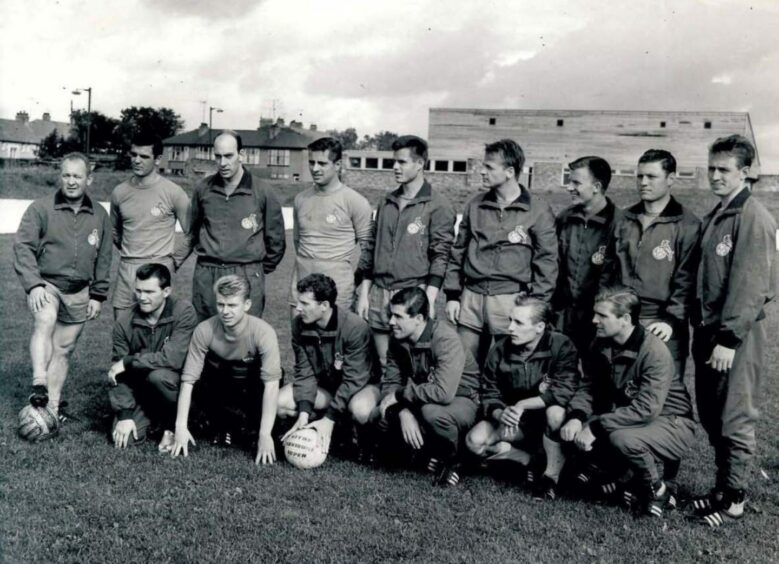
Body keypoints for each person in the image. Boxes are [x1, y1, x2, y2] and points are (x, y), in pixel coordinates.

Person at [690, 135, 777, 527]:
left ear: (745, 172)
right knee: (712, 415)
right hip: (709, 331)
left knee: (735, 416)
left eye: (724, 169)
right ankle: (723, 486)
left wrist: (729, 338)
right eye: (711, 168)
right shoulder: (717, 214)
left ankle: (735, 497)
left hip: (735, 336)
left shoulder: (752, 216)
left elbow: (752, 285)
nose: (715, 175)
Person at [560, 287, 696, 517]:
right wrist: (577, 417)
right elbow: (589, 388)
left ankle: (658, 490)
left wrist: (595, 427)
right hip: (634, 416)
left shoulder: (654, 351)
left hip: (673, 421)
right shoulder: (600, 343)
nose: (594, 320)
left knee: (621, 438)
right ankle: (616, 477)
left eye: (602, 316)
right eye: (595, 314)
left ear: (624, 319)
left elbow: (647, 408)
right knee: (570, 425)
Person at [14, 152, 112, 419]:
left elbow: (104, 256)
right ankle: (39, 382)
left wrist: (98, 294)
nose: (71, 181)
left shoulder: (100, 214)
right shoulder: (40, 208)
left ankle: (52, 408)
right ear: (60, 176)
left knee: (64, 349)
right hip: (48, 284)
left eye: (77, 176)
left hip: (80, 290)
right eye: (66, 175)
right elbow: (23, 247)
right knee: (45, 319)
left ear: (88, 179)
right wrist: (34, 285)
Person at [445, 139, 558, 365]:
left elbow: (547, 262)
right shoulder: (475, 205)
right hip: (471, 300)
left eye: (489, 167)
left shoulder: (538, 210)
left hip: (511, 301)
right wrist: (452, 296)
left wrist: (534, 307)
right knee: (464, 366)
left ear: (509, 172)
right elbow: (458, 251)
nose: (482, 172)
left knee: (508, 368)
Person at [465, 297, 580, 499]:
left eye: (518, 323)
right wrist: (501, 413)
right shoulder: (500, 349)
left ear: (540, 327)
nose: (510, 328)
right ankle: (528, 460)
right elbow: (488, 391)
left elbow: (565, 390)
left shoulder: (562, 345)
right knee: (474, 442)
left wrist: (522, 404)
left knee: (556, 413)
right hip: (516, 423)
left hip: (547, 422)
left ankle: (550, 476)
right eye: (510, 320)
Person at [357, 135, 455, 370]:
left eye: (402, 162)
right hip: (379, 293)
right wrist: (364, 293)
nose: (395, 167)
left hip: (412, 292)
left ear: (420, 164)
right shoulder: (386, 202)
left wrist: (429, 297)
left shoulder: (438, 205)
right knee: (382, 363)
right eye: (394, 161)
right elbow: (371, 247)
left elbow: (441, 255)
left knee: (413, 363)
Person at [599, 149, 700, 379]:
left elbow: (687, 279)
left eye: (651, 176)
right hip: (622, 319)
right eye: (639, 176)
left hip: (661, 323)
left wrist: (671, 321)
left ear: (671, 179)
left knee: (663, 394)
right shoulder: (623, 219)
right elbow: (608, 271)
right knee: (616, 389)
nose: (643, 182)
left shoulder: (688, 225)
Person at [171, 275, 282, 465]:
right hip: (219, 381)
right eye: (221, 304)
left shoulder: (264, 332)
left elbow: (271, 385)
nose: (225, 311)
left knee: (266, 390)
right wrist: (180, 427)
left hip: (251, 382)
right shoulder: (204, 329)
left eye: (232, 305)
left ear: (247, 304)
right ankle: (216, 423)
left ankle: (255, 426)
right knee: (205, 379)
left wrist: (265, 435)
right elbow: (188, 381)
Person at [378, 287, 480, 486]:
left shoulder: (445, 339)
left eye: (398, 316)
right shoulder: (397, 339)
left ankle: (455, 460)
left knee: (431, 413)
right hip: (424, 395)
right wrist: (401, 410)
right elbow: (390, 382)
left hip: (462, 399)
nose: (391, 322)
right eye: (391, 315)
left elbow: (443, 393)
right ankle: (423, 452)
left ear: (418, 318)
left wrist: (400, 396)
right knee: (382, 412)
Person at [186, 130, 286, 320]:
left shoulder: (263, 191)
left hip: (246, 273)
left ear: (242, 155)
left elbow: (276, 240)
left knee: (244, 338)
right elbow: (194, 229)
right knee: (206, 335)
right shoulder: (203, 189)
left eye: (229, 156)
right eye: (218, 156)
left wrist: (254, 269)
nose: (222, 163)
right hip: (208, 273)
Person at [278, 273, 380, 457]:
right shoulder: (298, 325)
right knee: (280, 402)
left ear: (324, 305)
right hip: (328, 389)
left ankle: (363, 440)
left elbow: (354, 380)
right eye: (298, 302)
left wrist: (330, 417)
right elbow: (304, 373)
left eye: (305, 304)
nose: (298, 308)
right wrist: (303, 412)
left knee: (360, 409)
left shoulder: (354, 327)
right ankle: (322, 429)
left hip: (359, 389)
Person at [107, 263, 198, 450]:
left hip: (175, 387)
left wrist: (131, 361)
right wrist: (124, 415)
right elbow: (117, 373)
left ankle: (175, 424)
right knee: (125, 439)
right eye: (138, 291)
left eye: (149, 292)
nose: (142, 297)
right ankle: (153, 420)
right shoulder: (124, 322)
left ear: (166, 291)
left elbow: (174, 359)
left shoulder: (183, 312)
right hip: (142, 392)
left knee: (158, 377)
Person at [110, 131, 190, 316]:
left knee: (157, 336)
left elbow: (192, 233)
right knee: (123, 335)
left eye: (144, 156)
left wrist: (174, 261)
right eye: (134, 155)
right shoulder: (119, 192)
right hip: (127, 271)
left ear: (157, 159)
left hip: (158, 269)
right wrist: (132, 253)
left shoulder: (174, 193)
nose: (137, 160)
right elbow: (115, 231)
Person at [289, 137, 373, 314]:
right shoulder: (300, 199)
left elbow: (368, 253)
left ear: (338, 165)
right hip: (301, 283)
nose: (315, 168)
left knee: (334, 339)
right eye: (312, 162)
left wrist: (356, 285)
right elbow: (298, 243)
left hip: (337, 289)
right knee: (300, 339)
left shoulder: (356, 202)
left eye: (322, 163)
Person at [553, 156, 620, 352]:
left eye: (576, 182)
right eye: (569, 181)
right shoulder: (564, 219)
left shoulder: (621, 224)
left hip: (599, 319)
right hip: (563, 318)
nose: (569, 187)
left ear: (597, 186)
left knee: (595, 376)